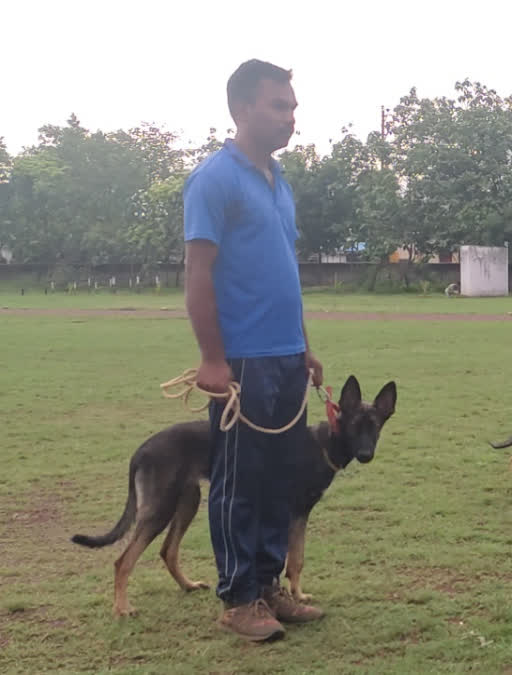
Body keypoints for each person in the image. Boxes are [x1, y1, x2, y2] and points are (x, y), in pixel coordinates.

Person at [183, 59, 324, 642]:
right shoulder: (214, 179)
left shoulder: (279, 178)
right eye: (278, 105)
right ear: (241, 109)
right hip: (242, 361)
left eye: (292, 106)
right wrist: (213, 359)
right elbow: (197, 274)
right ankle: (239, 597)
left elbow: (282, 271)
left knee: (278, 477)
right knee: (239, 481)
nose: (291, 116)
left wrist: (306, 347)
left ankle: (267, 587)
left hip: (287, 357)